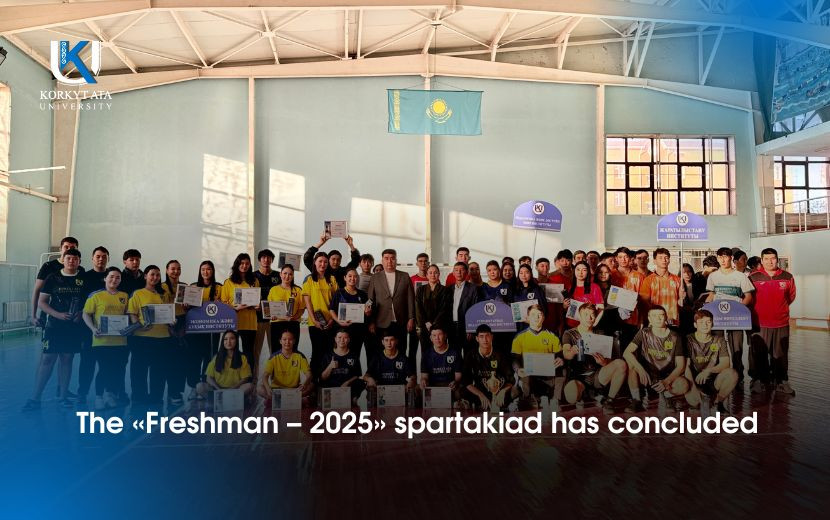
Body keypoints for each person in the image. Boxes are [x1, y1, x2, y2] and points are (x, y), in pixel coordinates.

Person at [23, 248, 87, 411]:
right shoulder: (53, 278)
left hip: (73, 328)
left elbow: (88, 301)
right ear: (63, 260)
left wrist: (81, 313)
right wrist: (58, 315)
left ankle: (63, 397)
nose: (71, 261)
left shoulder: (83, 279)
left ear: (79, 261)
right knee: (47, 360)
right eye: (68, 258)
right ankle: (35, 398)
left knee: (67, 359)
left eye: (75, 259)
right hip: (54, 326)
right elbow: (42, 302)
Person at [561, 303, 628, 414]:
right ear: (579, 316)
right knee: (571, 396)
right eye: (586, 314)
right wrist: (572, 351)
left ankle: (609, 400)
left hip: (597, 375)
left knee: (621, 364)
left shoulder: (601, 333)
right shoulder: (569, 333)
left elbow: (612, 360)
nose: (589, 318)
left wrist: (604, 362)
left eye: (592, 315)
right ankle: (585, 394)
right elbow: (566, 354)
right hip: (578, 376)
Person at [748, 248, 796, 395]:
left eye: (773, 258)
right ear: (762, 261)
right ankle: (758, 381)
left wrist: (779, 310)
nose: (770, 261)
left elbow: (791, 297)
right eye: (767, 259)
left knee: (780, 354)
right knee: (758, 353)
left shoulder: (787, 276)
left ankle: (781, 381)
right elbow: (748, 298)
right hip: (759, 323)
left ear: (777, 259)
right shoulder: (753, 277)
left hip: (781, 323)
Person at [623, 306, 689, 413]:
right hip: (647, 376)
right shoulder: (644, 333)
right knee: (632, 364)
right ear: (649, 319)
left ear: (666, 317)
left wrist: (666, 381)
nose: (658, 318)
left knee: (684, 384)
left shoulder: (675, 336)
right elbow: (626, 353)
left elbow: (681, 366)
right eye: (654, 316)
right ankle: (636, 399)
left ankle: (667, 396)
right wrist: (640, 369)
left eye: (661, 315)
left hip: (667, 377)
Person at [81, 266, 129, 410]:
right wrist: (93, 328)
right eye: (111, 276)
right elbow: (86, 313)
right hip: (101, 340)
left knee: (117, 369)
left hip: (120, 341)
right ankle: (99, 397)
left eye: (118, 277)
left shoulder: (125, 296)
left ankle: (110, 394)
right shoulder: (95, 295)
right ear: (105, 278)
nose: (114, 279)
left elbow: (127, 315)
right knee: (104, 369)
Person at [705, 246, 755, 383]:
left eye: (725, 257)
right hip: (717, 317)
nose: (723, 260)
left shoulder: (740, 276)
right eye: (720, 257)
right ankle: (717, 375)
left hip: (735, 318)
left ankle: (738, 377)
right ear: (717, 259)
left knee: (737, 348)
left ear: (731, 258)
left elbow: (748, 296)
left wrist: (739, 309)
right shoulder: (713, 276)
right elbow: (711, 295)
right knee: (717, 346)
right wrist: (705, 308)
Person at [126, 265, 171, 406]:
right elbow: (132, 313)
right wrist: (139, 324)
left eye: (158, 275)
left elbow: (169, 312)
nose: (155, 277)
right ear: (145, 276)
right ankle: (139, 397)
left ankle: (156, 398)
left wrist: (172, 320)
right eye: (152, 274)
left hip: (162, 337)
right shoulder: (138, 293)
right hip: (142, 337)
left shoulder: (164, 294)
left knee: (159, 370)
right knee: (139, 370)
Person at [75, 245, 111, 406]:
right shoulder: (84, 277)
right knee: (87, 362)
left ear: (108, 259)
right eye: (98, 256)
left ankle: (103, 393)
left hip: (108, 329)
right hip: (87, 328)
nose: (101, 259)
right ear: (92, 258)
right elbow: (80, 300)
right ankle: (82, 392)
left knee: (105, 364)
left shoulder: (112, 276)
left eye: (104, 256)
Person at [683, 310, 738, 413]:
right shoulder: (688, 340)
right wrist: (692, 388)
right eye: (701, 322)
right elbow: (686, 366)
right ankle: (699, 397)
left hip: (712, 379)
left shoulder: (719, 340)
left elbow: (725, 363)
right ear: (695, 325)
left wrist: (708, 371)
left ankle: (717, 403)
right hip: (694, 380)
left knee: (732, 374)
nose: (705, 325)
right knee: (694, 402)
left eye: (708, 322)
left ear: (712, 324)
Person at [367, 249, 415, 360]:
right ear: (382, 261)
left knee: (401, 350)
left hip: (401, 321)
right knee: (381, 353)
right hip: (381, 321)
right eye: (386, 258)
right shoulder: (375, 277)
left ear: (396, 260)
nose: (389, 261)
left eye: (392, 258)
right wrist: (371, 321)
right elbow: (370, 300)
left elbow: (410, 299)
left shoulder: (404, 276)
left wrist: (411, 318)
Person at [510, 305, 562, 409]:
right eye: (533, 314)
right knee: (523, 376)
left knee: (562, 369)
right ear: (528, 317)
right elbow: (514, 359)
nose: (537, 317)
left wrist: (560, 359)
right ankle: (529, 397)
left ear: (544, 317)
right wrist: (518, 369)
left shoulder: (552, 336)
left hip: (547, 375)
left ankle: (555, 399)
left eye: (539, 315)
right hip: (529, 375)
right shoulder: (519, 337)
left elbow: (559, 355)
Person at [186, 260, 223, 400]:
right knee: (194, 358)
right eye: (203, 269)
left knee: (210, 357)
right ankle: (193, 387)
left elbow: (224, 306)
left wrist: (221, 304)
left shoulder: (219, 287)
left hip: (212, 330)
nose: (205, 272)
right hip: (196, 329)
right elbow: (187, 308)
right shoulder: (193, 287)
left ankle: (205, 386)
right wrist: (185, 305)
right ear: (200, 271)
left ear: (212, 271)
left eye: (208, 269)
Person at [220, 253, 260, 372]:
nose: (244, 266)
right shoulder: (229, 282)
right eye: (242, 263)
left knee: (249, 353)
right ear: (237, 264)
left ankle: (249, 379)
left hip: (250, 323)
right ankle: (233, 379)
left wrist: (257, 306)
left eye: (247, 263)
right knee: (232, 352)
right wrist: (235, 308)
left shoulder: (255, 281)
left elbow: (257, 300)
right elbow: (223, 303)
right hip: (234, 323)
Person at [31, 236, 83, 328]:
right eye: (66, 247)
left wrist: (80, 312)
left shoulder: (80, 269)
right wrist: (33, 315)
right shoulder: (49, 266)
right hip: (52, 314)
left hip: (73, 317)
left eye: (72, 248)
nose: (69, 249)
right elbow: (37, 290)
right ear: (60, 249)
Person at [461, 324, 514, 411]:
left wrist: (502, 391)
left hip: (498, 391)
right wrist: (480, 395)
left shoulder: (500, 354)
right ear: (477, 339)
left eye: (487, 336)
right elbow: (466, 380)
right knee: (463, 393)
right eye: (481, 336)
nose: (485, 340)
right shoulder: (471, 355)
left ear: (492, 337)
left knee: (513, 393)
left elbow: (511, 379)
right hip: (479, 391)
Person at [302, 251, 338, 376]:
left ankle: (327, 382)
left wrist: (332, 320)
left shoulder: (332, 279)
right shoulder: (309, 280)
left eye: (325, 262)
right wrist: (314, 320)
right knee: (317, 352)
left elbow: (336, 302)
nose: (323, 264)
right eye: (320, 261)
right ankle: (314, 382)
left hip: (330, 323)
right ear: (315, 263)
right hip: (315, 324)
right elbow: (308, 303)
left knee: (329, 353)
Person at [257, 330, 314, 406]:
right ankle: (296, 401)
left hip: (294, 390)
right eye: (284, 339)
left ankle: (277, 402)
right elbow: (265, 376)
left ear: (294, 341)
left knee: (311, 385)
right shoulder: (273, 357)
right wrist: (267, 388)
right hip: (277, 390)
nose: (287, 342)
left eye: (290, 339)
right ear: (280, 341)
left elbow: (309, 374)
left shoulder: (300, 356)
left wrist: (304, 384)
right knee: (259, 388)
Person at [159, 259, 188, 406]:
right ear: (166, 270)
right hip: (167, 324)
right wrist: (168, 327)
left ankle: (176, 392)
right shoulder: (161, 287)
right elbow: (160, 308)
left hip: (182, 323)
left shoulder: (185, 287)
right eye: (172, 269)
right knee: (168, 362)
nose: (176, 271)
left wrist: (188, 307)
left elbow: (190, 309)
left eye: (178, 268)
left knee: (181, 362)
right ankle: (166, 393)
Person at [195, 330, 254, 401]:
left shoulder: (242, 358)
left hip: (235, 389)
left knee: (249, 386)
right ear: (223, 342)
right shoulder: (216, 357)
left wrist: (231, 389)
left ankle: (223, 400)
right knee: (199, 386)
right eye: (225, 339)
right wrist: (219, 389)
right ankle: (228, 399)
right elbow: (209, 377)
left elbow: (245, 379)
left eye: (232, 338)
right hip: (218, 390)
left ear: (236, 341)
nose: (228, 342)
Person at [364, 328, 417, 403]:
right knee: (369, 385)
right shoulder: (377, 358)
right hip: (381, 392)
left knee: (414, 389)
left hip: (399, 391)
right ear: (382, 342)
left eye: (391, 340)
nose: (389, 343)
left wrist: (411, 381)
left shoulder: (403, 358)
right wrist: (369, 379)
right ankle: (374, 408)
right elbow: (365, 376)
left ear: (396, 341)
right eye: (386, 340)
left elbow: (413, 376)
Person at [330, 267, 370, 361]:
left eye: (355, 276)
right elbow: (331, 310)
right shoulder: (339, 293)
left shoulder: (362, 294)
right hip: (343, 331)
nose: (353, 278)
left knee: (355, 356)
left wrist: (368, 312)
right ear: (345, 278)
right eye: (350, 276)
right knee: (341, 355)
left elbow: (367, 313)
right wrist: (339, 321)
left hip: (358, 331)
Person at [415, 264, 450, 367]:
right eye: (430, 273)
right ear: (426, 275)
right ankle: (425, 374)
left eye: (435, 273)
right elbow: (418, 308)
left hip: (440, 327)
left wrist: (434, 324)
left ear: (439, 274)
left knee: (440, 351)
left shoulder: (444, 290)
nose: (433, 275)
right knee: (425, 351)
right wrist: (426, 322)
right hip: (424, 326)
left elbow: (444, 309)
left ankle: (440, 373)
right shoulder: (420, 290)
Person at [639, 248, 684, 328]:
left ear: (669, 260)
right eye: (660, 258)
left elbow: (680, 302)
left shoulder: (677, 280)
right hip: (656, 321)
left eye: (666, 258)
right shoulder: (648, 280)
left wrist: (682, 298)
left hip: (673, 320)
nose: (664, 260)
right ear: (654, 261)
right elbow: (644, 302)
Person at [320, 328, 366, 406]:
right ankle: (328, 401)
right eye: (339, 337)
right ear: (335, 339)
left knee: (360, 383)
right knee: (321, 384)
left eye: (345, 338)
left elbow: (357, 375)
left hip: (347, 386)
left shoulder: (353, 355)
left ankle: (354, 400)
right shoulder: (328, 355)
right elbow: (323, 378)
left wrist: (347, 383)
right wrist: (330, 367)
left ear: (348, 340)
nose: (342, 340)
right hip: (332, 385)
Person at [253, 249, 281, 378]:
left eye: (269, 257)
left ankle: (276, 381)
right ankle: (254, 381)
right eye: (263, 257)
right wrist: (254, 305)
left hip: (274, 320)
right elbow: (248, 296)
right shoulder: (253, 276)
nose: (266, 260)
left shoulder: (278, 275)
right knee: (255, 352)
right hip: (257, 320)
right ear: (259, 260)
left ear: (272, 260)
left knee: (275, 351)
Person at [266, 264, 305, 352]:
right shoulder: (273, 290)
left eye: (290, 274)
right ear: (280, 274)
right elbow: (269, 308)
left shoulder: (298, 290)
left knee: (293, 351)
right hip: (277, 324)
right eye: (285, 273)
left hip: (293, 324)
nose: (287, 276)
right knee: (276, 351)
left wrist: (293, 318)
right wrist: (271, 315)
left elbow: (301, 309)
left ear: (293, 276)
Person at [610, 247, 644, 346]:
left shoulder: (639, 276)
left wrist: (641, 319)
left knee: (629, 347)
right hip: (614, 317)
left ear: (630, 258)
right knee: (615, 348)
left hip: (633, 318)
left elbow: (642, 300)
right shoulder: (610, 274)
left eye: (626, 257)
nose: (623, 260)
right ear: (616, 258)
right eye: (620, 257)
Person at [419, 327, 463, 402]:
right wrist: (423, 381)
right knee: (419, 390)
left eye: (440, 334)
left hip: (450, 386)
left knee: (460, 391)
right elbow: (424, 376)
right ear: (431, 338)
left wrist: (456, 382)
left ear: (445, 336)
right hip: (433, 385)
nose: (437, 338)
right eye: (434, 335)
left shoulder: (455, 353)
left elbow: (458, 376)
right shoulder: (426, 354)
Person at [563, 261, 604, 329]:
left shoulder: (594, 287)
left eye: (584, 270)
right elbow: (567, 309)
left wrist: (594, 324)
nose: (580, 272)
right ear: (574, 271)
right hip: (571, 325)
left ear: (588, 272)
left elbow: (601, 308)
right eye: (578, 269)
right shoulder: (570, 287)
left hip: (587, 326)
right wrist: (565, 306)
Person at [449, 262, 479, 354]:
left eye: (461, 270)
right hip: (452, 328)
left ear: (466, 272)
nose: (459, 272)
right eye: (456, 270)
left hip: (466, 327)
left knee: (468, 355)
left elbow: (475, 310)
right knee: (454, 355)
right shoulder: (449, 289)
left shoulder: (473, 288)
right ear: (453, 273)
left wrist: (471, 329)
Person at [514, 264, 547, 332]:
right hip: (519, 326)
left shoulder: (537, 289)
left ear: (531, 274)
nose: (523, 275)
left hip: (534, 326)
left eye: (526, 272)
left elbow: (544, 309)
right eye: (521, 273)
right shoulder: (516, 290)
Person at [679, 263, 697, 337]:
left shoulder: (696, 284)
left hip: (695, 313)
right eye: (684, 272)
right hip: (684, 315)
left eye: (689, 271)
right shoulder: (679, 286)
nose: (687, 274)